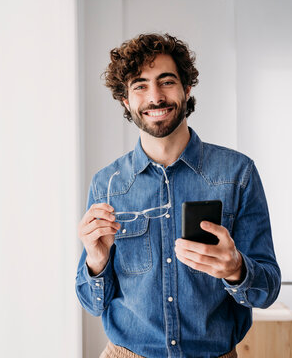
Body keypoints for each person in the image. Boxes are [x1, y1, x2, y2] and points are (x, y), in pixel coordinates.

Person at [75, 33, 281, 358]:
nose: (155, 97)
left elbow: (267, 291)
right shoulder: (107, 184)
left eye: (166, 81)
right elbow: (92, 303)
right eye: (140, 85)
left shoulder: (238, 174)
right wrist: (96, 261)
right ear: (126, 101)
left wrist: (237, 269)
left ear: (186, 89)